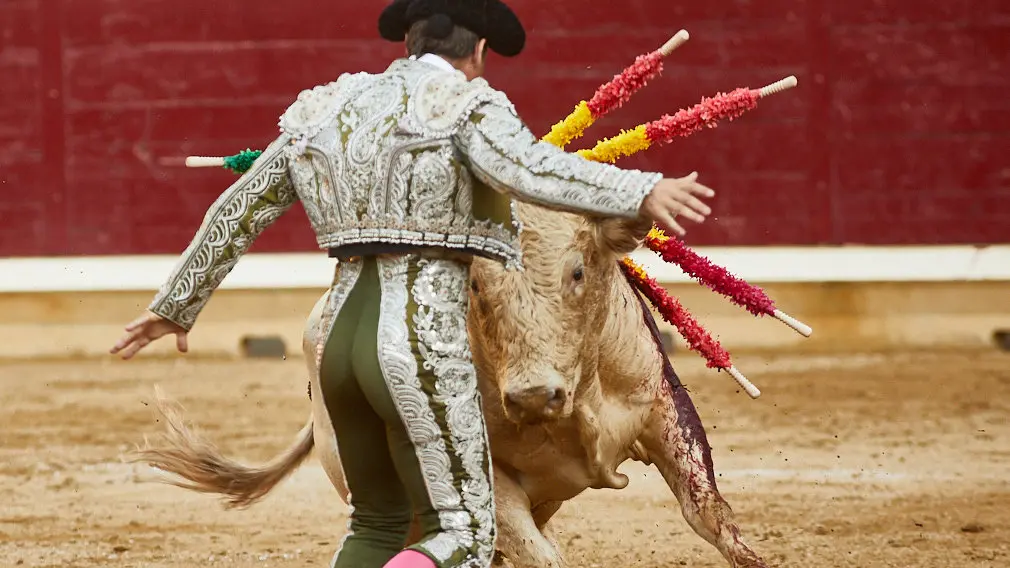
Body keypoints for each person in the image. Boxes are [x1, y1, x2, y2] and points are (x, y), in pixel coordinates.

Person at [110, 1, 715, 566]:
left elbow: (240, 208)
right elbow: (531, 170)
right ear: (479, 48)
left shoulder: (327, 109)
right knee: (464, 533)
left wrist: (177, 306)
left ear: (407, 40)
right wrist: (639, 190)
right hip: (417, 338)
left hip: (338, 343)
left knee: (374, 523)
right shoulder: (467, 104)